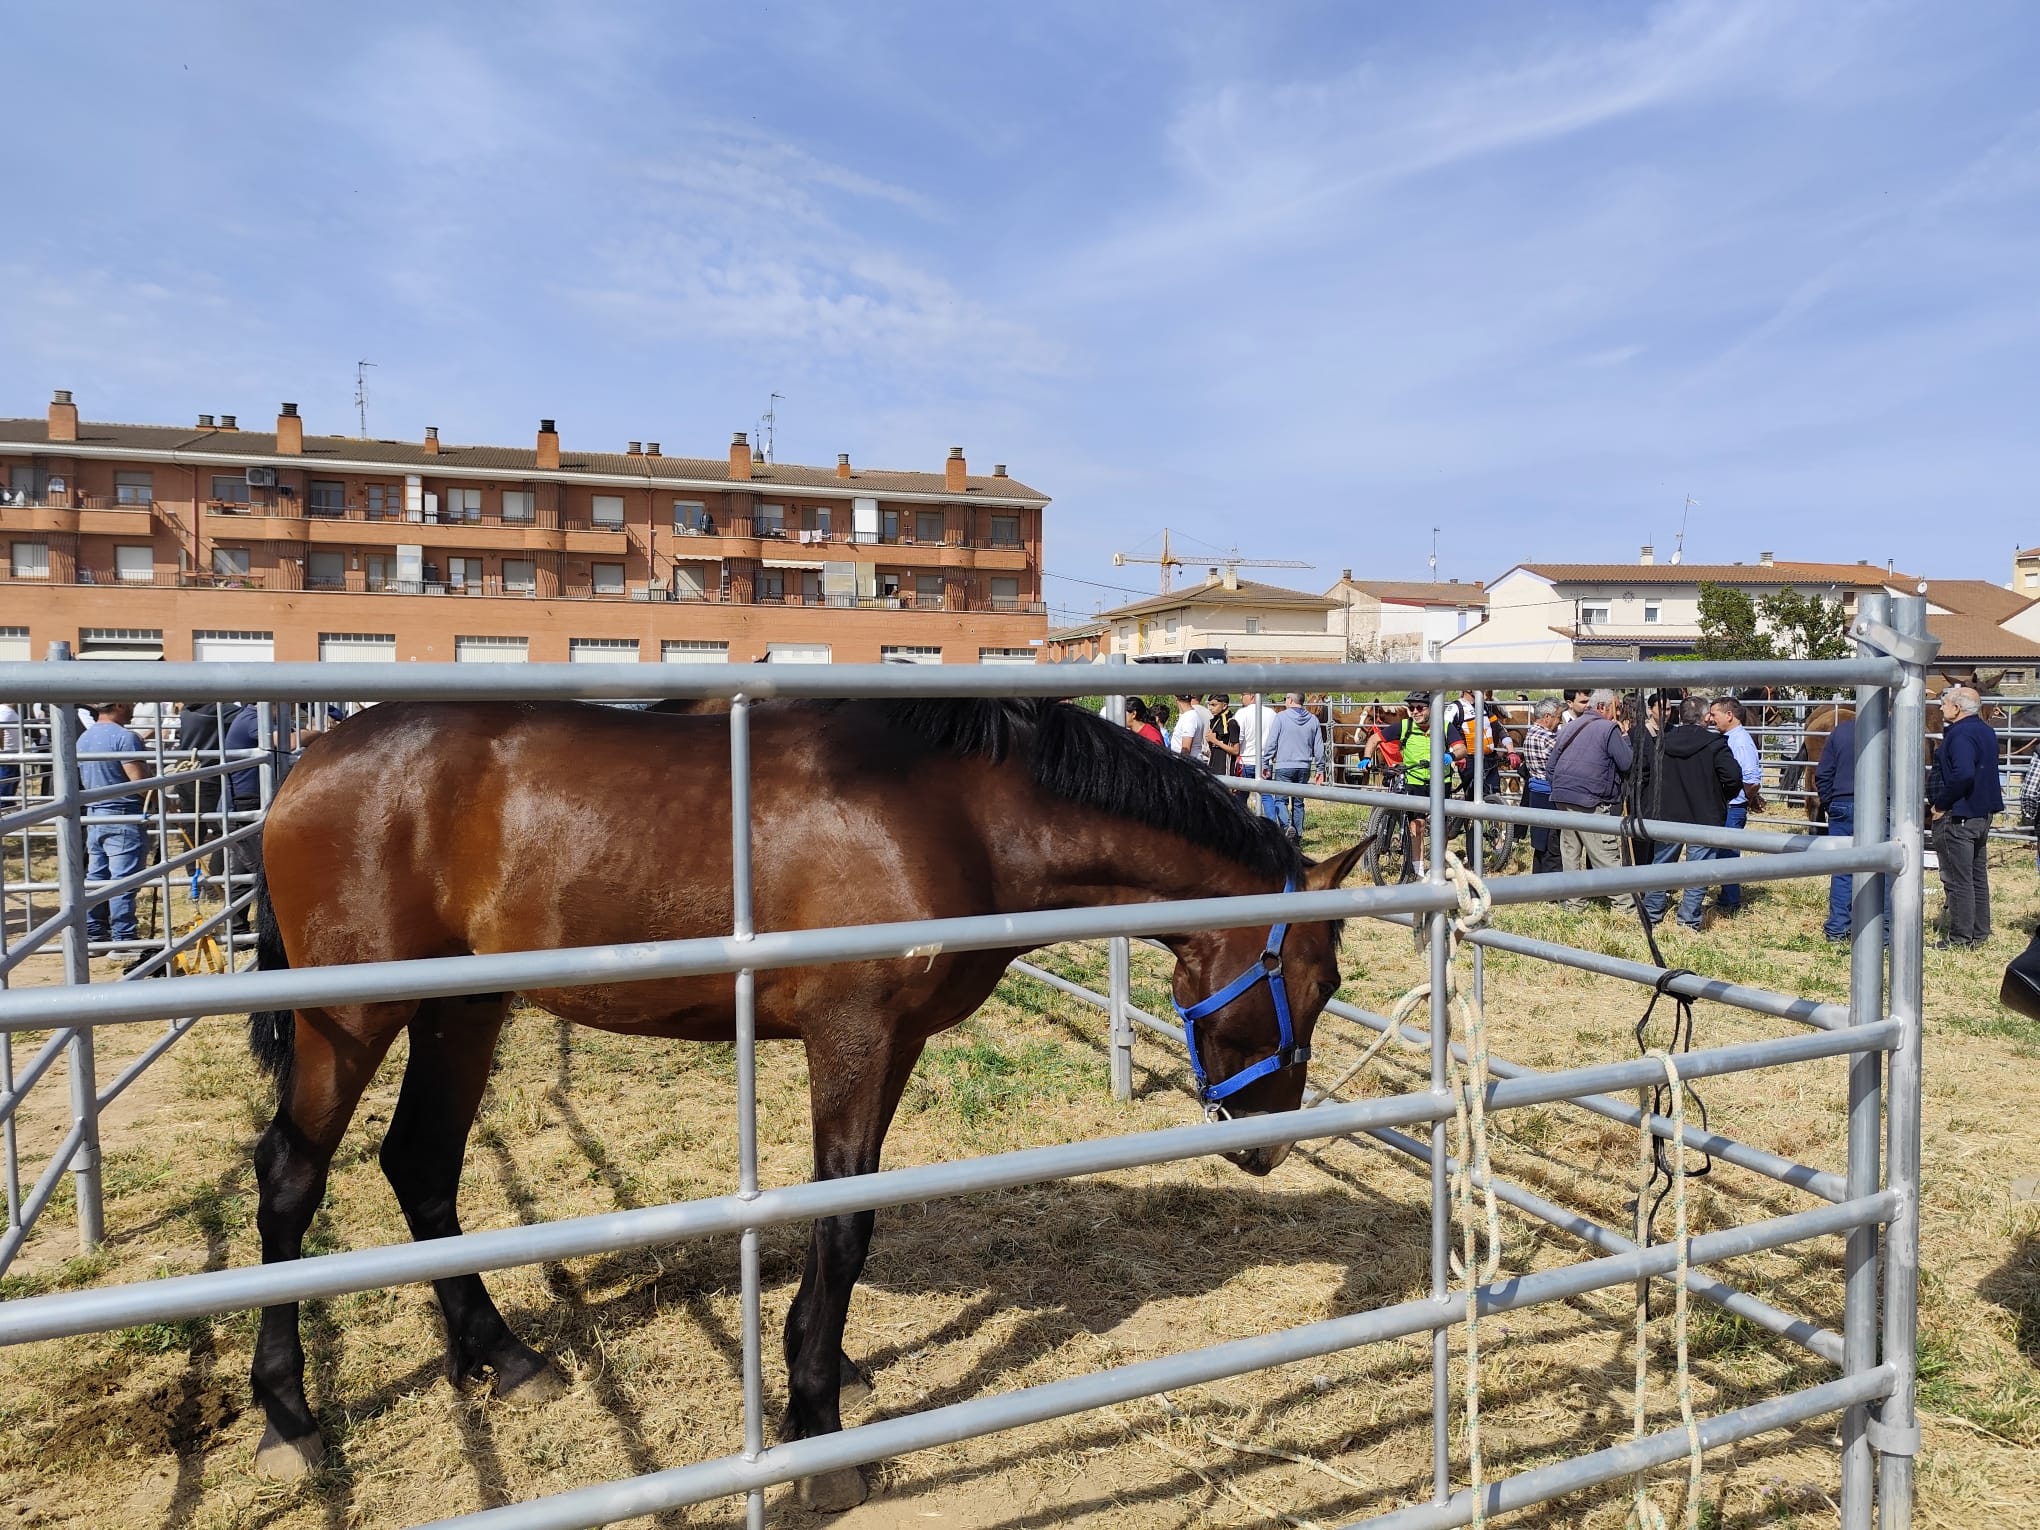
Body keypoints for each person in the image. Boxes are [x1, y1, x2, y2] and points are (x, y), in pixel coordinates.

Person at [1641, 696, 1742, 930]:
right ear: (1706, 717)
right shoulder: (1715, 744)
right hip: (1704, 815)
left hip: (1667, 813)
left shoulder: (1661, 743)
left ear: (1680, 715)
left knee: (1661, 865)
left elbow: (1647, 774)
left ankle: (1651, 913)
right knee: (1699, 869)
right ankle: (1688, 921)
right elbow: (1733, 777)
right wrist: (1721, 797)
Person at [1546, 688, 1635, 913]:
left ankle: (1574, 904)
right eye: (1617, 707)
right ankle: (1624, 907)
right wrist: (1626, 737)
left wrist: (1561, 788)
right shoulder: (1608, 728)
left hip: (1563, 796)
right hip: (1590, 798)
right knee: (1604, 854)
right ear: (1603, 707)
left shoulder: (1570, 726)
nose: (1619, 712)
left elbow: (1551, 767)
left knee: (1570, 854)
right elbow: (1626, 763)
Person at [1930, 685, 2002, 948]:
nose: (1941, 707)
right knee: (1976, 876)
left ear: (1957, 708)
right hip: (1981, 813)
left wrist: (1941, 804)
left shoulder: (1960, 734)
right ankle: (1979, 933)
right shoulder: (1986, 730)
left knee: (1958, 878)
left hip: (1958, 815)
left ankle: (1960, 938)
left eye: (1945, 703)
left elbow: (1963, 774)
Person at [78, 701, 149, 950]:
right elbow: (139, 782)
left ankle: (95, 932)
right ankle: (124, 938)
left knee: (97, 876)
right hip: (123, 815)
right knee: (123, 881)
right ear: (118, 704)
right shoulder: (124, 737)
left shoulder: (85, 737)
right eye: (129, 704)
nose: (132, 708)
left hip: (96, 815)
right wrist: (161, 801)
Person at [1706, 696, 1765, 916]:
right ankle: (1727, 897)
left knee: (1728, 853)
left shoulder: (1740, 742)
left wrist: (1744, 798)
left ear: (1729, 715)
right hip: (1731, 805)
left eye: (1714, 714)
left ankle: (1730, 901)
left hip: (1733, 806)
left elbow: (1752, 780)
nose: (1711, 719)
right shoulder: (1732, 738)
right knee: (1724, 851)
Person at [222, 702, 270, 936]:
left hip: (245, 805)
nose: (292, 709)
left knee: (243, 874)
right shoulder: (252, 719)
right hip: (241, 808)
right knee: (264, 870)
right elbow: (289, 741)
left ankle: (237, 930)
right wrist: (318, 734)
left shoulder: (251, 717)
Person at [1261, 693, 1325, 843]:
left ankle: (1286, 826)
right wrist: (1320, 768)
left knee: (1280, 800)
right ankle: (1297, 838)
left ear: (1290, 699)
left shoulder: (1281, 717)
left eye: (1286, 699)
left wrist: (1265, 762)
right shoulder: (1313, 720)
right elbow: (1319, 747)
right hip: (1304, 766)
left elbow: (1272, 742)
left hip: (1284, 765)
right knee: (1298, 803)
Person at [1521, 698, 1563, 874]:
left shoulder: (1531, 733)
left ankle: (1537, 879)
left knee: (1540, 842)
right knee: (1553, 845)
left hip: (1535, 791)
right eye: (1558, 716)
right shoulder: (1548, 738)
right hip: (1550, 793)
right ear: (1547, 717)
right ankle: (1553, 883)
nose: (1560, 721)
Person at [1234, 692, 1276, 813]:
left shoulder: (1241, 713)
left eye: (1243, 694)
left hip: (1246, 760)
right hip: (1265, 761)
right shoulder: (1271, 713)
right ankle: (1272, 821)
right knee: (1267, 796)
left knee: (1241, 796)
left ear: (1252, 695)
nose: (1240, 697)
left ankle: (1241, 821)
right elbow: (1274, 738)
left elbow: (1238, 738)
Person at [1169, 692, 1210, 765]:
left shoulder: (1189, 718)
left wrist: (1181, 767)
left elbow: (1186, 749)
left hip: (1189, 765)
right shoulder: (1189, 715)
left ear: (1175, 698)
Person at [1205, 694, 1241, 776]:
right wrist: (1209, 741)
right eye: (1209, 705)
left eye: (1214, 705)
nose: (1210, 708)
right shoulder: (1213, 721)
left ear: (1224, 706)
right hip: (1213, 766)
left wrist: (1215, 741)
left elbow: (1236, 751)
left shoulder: (1231, 723)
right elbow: (1213, 748)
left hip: (1225, 768)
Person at [0, 699, 19, 807]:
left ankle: (8, 804)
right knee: (6, 781)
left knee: (12, 780)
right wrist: (2, 748)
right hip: (8, 752)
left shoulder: (8, 710)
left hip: (13, 752)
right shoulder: (4, 710)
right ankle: (4, 806)